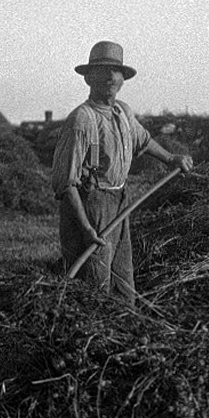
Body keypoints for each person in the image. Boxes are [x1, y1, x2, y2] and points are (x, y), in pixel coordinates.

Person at [51, 40, 193, 303]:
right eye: (102, 70)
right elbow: (66, 184)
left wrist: (171, 158)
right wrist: (86, 228)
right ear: (89, 78)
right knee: (94, 285)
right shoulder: (82, 120)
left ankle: (127, 324)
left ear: (123, 79)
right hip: (91, 205)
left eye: (115, 71)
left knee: (123, 281)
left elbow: (144, 141)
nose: (110, 77)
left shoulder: (122, 112)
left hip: (119, 202)